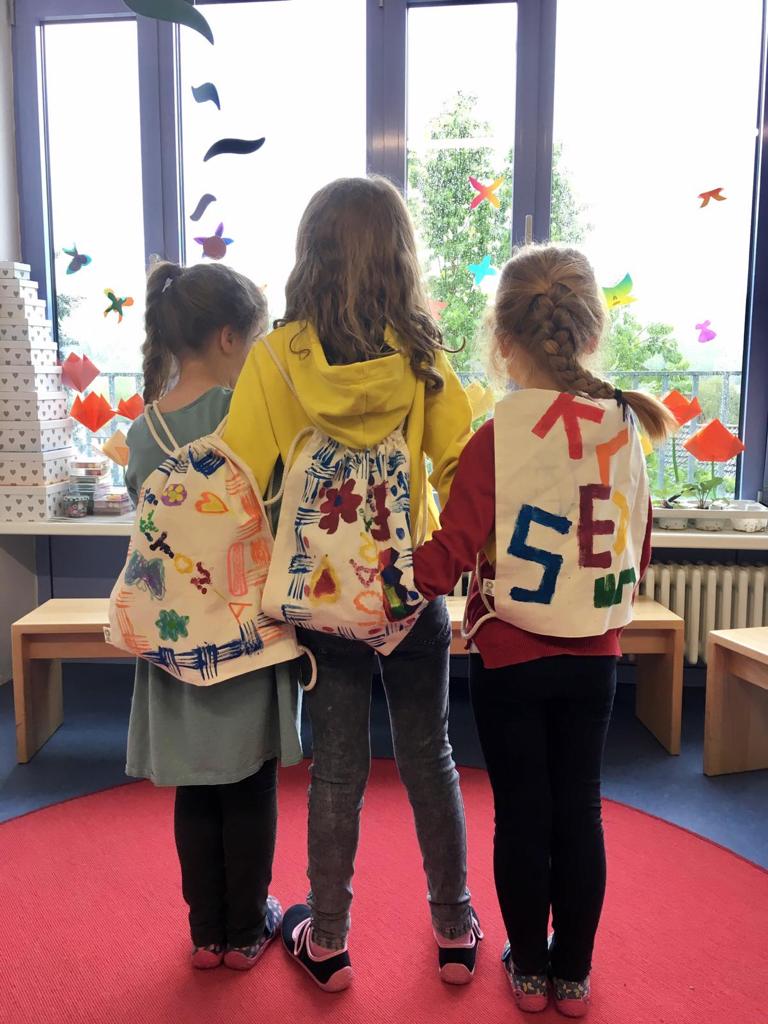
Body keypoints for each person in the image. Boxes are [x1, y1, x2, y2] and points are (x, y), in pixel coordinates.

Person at [224, 176, 480, 992]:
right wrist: (440, 563)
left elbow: (238, 477)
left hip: (321, 600)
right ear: (401, 258)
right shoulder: (425, 358)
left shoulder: (276, 358)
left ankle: (327, 939)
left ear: (312, 254)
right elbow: (462, 468)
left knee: (336, 769)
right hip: (410, 594)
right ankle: (454, 929)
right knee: (431, 755)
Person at [413, 244, 676, 1017]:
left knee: (522, 814)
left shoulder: (498, 435)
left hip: (509, 654)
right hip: (594, 655)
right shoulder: (626, 427)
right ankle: (575, 974)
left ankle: (529, 971)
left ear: (501, 341)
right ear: (591, 333)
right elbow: (639, 545)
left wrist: (385, 572)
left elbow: (448, 556)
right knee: (580, 811)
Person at [125, 261, 303, 972]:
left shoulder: (143, 431)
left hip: (174, 636)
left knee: (195, 783)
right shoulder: (248, 416)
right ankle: (248, 926)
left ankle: (207, 933)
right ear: (230, 337)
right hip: (244, 630)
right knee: (250, 779)